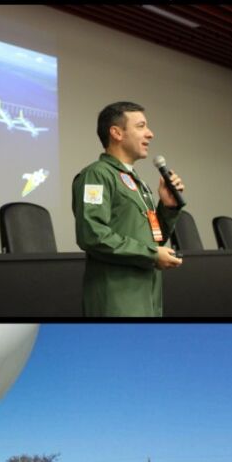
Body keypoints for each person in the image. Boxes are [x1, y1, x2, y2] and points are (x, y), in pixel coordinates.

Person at [72, 101, 185, 317]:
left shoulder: (137, 182)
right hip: (118, 297)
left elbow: (154, 237)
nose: (150, 134)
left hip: (148, 294)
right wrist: (152, 254)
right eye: (141, 126)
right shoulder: (97, 175)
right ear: (116, 133)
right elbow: (92, 234)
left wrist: (168, 207)